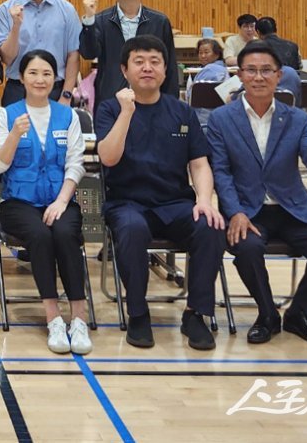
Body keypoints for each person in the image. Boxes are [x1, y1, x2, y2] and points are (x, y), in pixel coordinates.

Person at [206, 41, 307, 347]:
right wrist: (235, 212)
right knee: (247, 248)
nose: (258, 77)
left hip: (291, 209)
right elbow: (221, 173)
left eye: (266, 70)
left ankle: (300, 315)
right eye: (251, 70)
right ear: (239, 75)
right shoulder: (221, 120)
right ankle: (267, 315)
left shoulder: (295, 118)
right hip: (248, 210)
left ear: (279, 75)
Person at [96, 35, 226, 351]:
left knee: (210, 225)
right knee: (131, 229)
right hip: (128, 203)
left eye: (155, 62)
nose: (147, 68)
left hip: (174, 202)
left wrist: (204, 201)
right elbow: (108, 157)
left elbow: (199, 163)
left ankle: (196, 313)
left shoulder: (182, 112)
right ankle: (138, 313)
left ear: (166, 71)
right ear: (124, 70)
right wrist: (127, 113)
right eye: (139, 62)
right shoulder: (110, 108)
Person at [0, 50, 92, 355]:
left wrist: (62, 201)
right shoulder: (9, 114)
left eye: (47, 73)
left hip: (59, 199)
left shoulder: (68, 115)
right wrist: (13, 136)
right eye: (33, 73)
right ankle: (53, 317)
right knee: (39, 234)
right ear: (22, 78)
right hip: (18, 202)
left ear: (56, 78)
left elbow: (76, 163)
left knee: (64, 232)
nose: (40, 79)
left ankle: (79, 317)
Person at [79, 0, 178, 106]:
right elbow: (88, 53)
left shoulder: (159, 21)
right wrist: (89, 20)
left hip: (151, 100)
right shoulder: (100, 20)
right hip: (111, 100)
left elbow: (169, 67)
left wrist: (171, 103)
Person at [0, 0, 81, 107]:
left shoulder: (67, 10)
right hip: (17, 90)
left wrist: (66, 96)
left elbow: (73, 56)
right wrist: (16, 27)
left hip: (56, 90)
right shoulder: (5, 9)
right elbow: (6, 58)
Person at [187, 38, 229, 126]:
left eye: (206, 52)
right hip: (220, 118)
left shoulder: (210, 69)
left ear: (217, 54)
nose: (202, 56)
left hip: (203, 119)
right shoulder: (223, 69)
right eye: (200, 52)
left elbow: (192, 96)